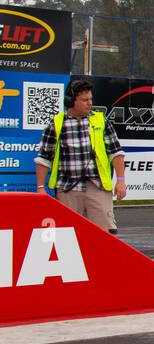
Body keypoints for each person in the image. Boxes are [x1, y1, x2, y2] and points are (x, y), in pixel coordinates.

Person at [33, 79, 127, 231]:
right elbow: (43, 158)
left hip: (98, 187)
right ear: (71, 101)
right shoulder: (56, 124)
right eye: (84, 100)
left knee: (104, 234)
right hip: (67, 189)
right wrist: (41, 188)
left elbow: (116, 153)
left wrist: (121, 181)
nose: (89, 103)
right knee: (68, 234)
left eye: (90, 99)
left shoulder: (101, 121)